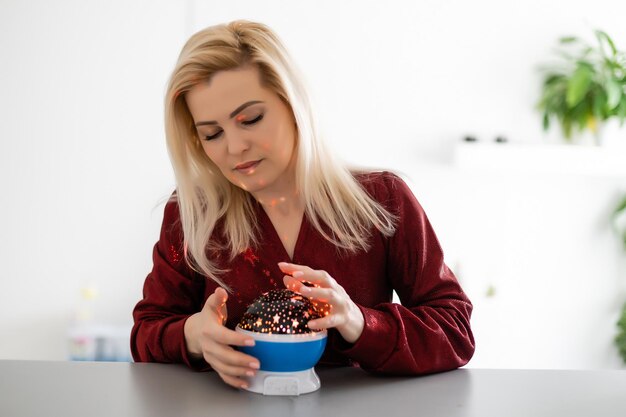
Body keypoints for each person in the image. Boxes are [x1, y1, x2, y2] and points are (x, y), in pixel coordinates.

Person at [131, 20, 475, 390]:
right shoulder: (191, 215)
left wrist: (360, 322)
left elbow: (455, 330)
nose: (233, 148)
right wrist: (192, 335)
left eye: (251, 119)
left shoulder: (383, 200)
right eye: (212, 134)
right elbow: (146, 332)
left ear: (293, 104)